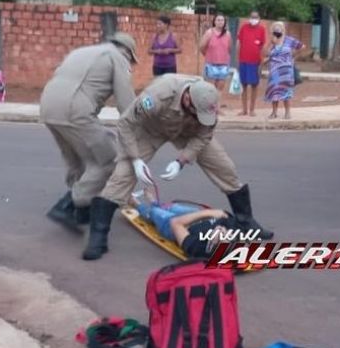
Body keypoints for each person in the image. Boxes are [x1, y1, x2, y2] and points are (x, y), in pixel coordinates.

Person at [82, 75, 273, 261]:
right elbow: (126, 123)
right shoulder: (158, 95)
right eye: (196, 111)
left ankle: (245, 221)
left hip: (188, 131)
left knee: (225, 167)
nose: (201, 115)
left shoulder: (208, 104)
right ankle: (98, 236)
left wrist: (181, 161)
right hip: (151, 129)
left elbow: (204, 135)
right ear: (188, 97)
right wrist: (135, 159)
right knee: (123, 175)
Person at [40, 32, 138, 232]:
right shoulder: (117, 57)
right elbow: (125, 101)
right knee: (108, 160)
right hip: (75, 110)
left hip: (47, 105)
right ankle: (67, 206)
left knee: (77, 159)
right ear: (127, 51)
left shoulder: (81, 51)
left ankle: (81, 211)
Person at [131, 188, 238, 259]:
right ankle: (155, 202)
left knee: (155, 213)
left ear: (213, 245)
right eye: (226, 233)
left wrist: (208, 212)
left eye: (220, 236)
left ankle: (137, 204)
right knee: (173, 207)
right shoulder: (233, 230)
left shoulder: (197, 248)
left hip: (179, 226)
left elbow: (176, 223)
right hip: (199, 216)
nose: (221, 229)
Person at [262, 22, 304, 120]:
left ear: (283, 29)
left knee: (286, 91)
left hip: (286, 70)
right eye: (275, 28)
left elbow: (302, 47)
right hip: (274, 70)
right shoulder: (272, 41)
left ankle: (287, 112)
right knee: (274, 90)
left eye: (279, 28)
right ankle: (274, 112)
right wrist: (270, 42)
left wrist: (294, 56)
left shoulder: (289, 40)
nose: (278, 30)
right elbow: (265, 53)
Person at [236, 10, 266, 116]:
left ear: (259, 18)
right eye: (252, 17)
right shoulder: (244, 27)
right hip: (243, 61)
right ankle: (244, 110)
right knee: (243, 86)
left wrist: (261, 62)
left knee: (254, 86)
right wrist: (237, 59)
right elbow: (239, 42)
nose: (254, 19)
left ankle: (252, 109)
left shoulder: (262, 29)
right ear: (249, 17)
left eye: (256, 17)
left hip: (255, 62)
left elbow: (262, 46)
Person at [200, 14, 232, 105]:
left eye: (222, 20)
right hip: (211, 64)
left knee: (220, 88)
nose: (220, 22)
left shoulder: (228, 34)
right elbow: (202, 47)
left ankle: (216, 107)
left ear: (224, 22)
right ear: (214, 21)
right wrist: (208, 55)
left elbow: (229, 49)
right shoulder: (209, 32)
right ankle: (209, 106)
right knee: (210, 88)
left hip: (223, 64)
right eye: (218, 20)